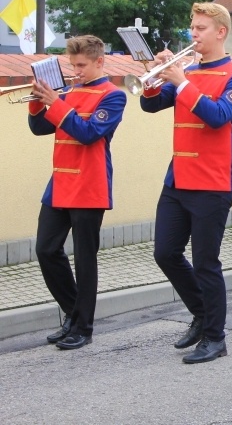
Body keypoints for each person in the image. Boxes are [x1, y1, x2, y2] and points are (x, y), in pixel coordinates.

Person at [141, 2, 232, 363]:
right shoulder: (186, 71)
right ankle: (202, 315)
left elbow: (219, 116)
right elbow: (152, 107)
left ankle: (216, 338)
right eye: (193, 27)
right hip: (178, 180)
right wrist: (154, 78)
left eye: (201, 28)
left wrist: (182, 80)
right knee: (165, 253)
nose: (194, 34)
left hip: (212, 183)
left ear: (220, 32)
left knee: (206, 262)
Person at [28, 35, 127, 350]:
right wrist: (37, 100)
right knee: (46, 250)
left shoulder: (113, 96)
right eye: (72, 65)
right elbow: (40, 128)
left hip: (89, 183)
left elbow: (87, 134)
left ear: (99, 62)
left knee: (85, 259)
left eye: (81, 65)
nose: (76, 71)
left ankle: (83, 326)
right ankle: (74, 312)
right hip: (59, 183)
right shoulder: (67, 92)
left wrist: (56, 103)